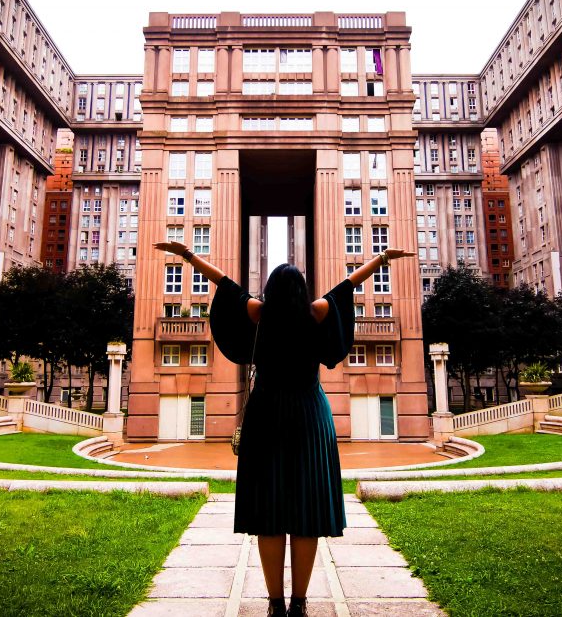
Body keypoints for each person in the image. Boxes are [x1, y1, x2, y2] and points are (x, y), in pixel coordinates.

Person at [153, 241, 412, 617]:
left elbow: (223, 284)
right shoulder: (317, 312)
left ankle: (275, 603)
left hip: (266, 413)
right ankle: (300, 603)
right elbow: (348, 284)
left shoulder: (259, 313)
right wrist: (383, 258)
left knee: (269, 512)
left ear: (270, 290)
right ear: (302, 290)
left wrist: (188, 257)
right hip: (310, 412)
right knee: (306, 513)